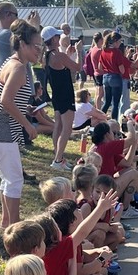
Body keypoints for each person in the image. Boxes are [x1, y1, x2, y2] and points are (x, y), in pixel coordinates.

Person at [0, 18, 42, 229]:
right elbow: (5, 100)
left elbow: (7, 96)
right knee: (15, 180)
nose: (39, 51)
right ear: (22, 44)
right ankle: (15, 227)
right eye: (36, 46)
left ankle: (7, 224)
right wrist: (27, 124)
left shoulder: (13, 62)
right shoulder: (19, 67)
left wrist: (25, 109)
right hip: (0, 129)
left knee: (8, 178)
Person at [41, 25, 81, 170]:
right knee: (67, 128)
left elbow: (61, 67)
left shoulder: (47, 56)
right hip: (65, 94)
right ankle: (58, 160)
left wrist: (68, 55)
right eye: (57, 36)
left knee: (58, 126)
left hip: (57, 94)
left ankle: (58, 157)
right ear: (53, 39)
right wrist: (79, 52)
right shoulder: (58, 55)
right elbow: (78, 67)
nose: (59, 38)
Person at [0, 2, 19, 68]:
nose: (17, 18)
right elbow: (28, 46)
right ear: (8, 14)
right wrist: (34, 26)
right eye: (16, 15)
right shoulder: (6, 34)